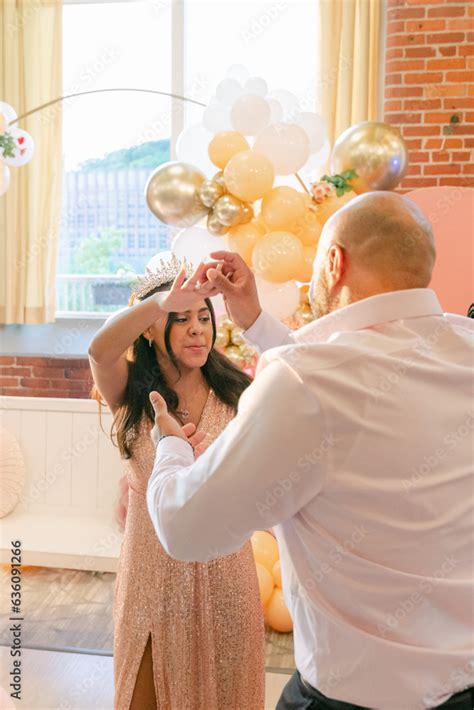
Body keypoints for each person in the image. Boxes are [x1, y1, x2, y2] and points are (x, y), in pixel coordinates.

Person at [145, 192, 474, 710]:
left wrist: (168, 446)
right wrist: (254, 319)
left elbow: (183, 526)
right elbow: (352, 372)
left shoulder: (308, 383)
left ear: (335, 262)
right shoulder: (462, 347)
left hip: (354, 699)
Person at [88, 255, 265, 710]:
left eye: (204, 318)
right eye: (181, 318)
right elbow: (100, 351)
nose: (196, 329)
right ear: (149, 328)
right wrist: (161, 301)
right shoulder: (129, 393)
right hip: (152, 572)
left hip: (226, 571)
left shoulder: (238, 393)